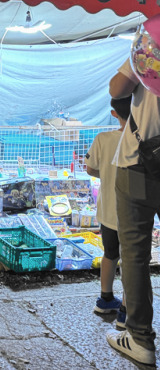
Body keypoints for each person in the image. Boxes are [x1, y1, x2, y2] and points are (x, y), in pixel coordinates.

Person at [105, 58, 160, 365]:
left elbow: (116, 88)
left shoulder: (153, 39)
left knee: (136, 254)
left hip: (140, 163)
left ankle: (139, 338)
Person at [86, 97, 131, 326]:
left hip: (107, 211)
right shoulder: (141, 140)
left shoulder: (103, 139)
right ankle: (126, 310)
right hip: (133, 215)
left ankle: (105, 299)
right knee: (132, 262)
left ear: (114, 113)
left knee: (110, 254)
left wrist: (107, 175)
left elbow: (90, 168)